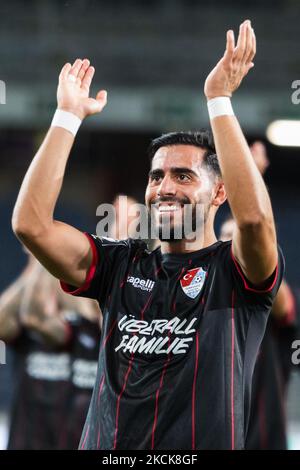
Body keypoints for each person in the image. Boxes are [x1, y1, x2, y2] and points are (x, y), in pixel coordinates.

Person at [12, 20, 284, 449]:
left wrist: (219, 101)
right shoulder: (120, 265)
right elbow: (31, 225)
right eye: (156, 176)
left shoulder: (235, 272)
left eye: (182, 175)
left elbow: (254, 222)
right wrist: (66, 117)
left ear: (219, 192)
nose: (164, 188)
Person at [220, 142, 299, 450]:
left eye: (239, 238)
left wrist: (249, 180)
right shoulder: (203, 308)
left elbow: (260, 243)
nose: (235, 247)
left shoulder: (272, 304)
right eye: (226, 240)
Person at [0, 252, 101, 449]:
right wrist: (39, 258)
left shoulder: (88, 328)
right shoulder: (29, 330)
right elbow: (28, 319)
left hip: (77, 438)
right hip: (27, 440)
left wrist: (46, 255)